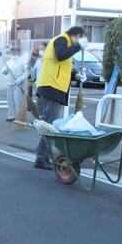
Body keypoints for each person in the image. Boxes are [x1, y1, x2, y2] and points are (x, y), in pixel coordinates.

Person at [34, 26, 88, 170]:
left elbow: (60, 65)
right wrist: (78, 46)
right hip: (52, 88)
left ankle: (43, 157)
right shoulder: (62, 39)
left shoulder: (61, 41)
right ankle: (41, 158)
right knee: (50, 127)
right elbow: (61, 55)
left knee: (48, 125)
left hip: (49, 87)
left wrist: (75, 75)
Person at [2, 45, 28, 121]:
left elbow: (27, 72)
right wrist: (4, 70)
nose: (14, 52)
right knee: (10, 100)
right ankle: (11, 116)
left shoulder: (23, 61)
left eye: (15, 51)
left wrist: (20, 79)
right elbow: (4, 70)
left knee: (18, 100)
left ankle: (19, 116)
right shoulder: (10, 61)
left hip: (19, 83)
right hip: (10, 82)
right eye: (13, 51)